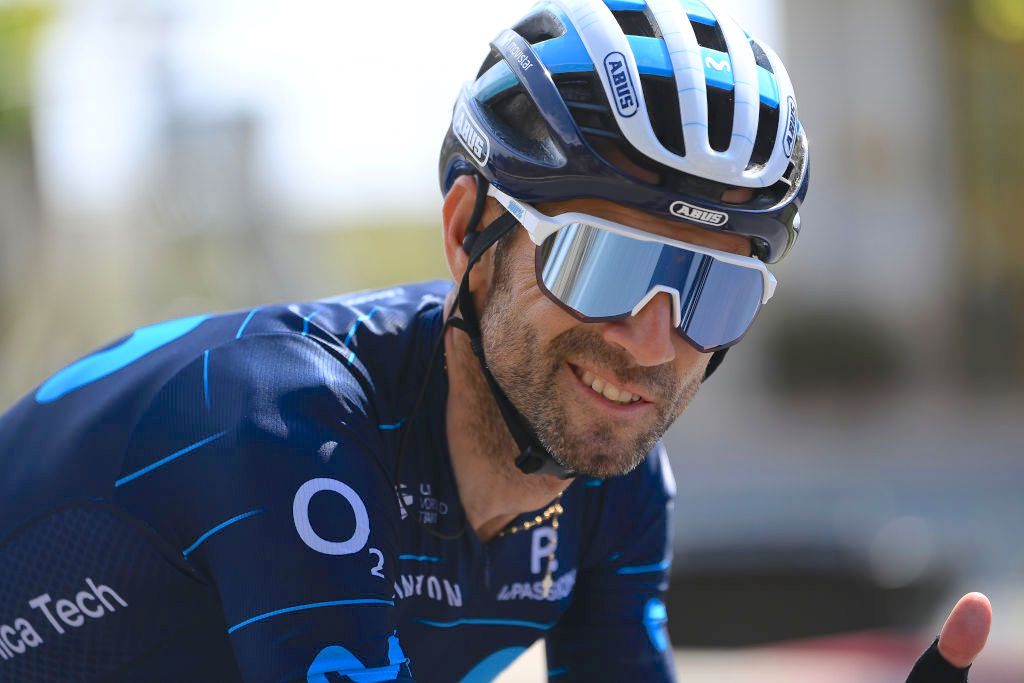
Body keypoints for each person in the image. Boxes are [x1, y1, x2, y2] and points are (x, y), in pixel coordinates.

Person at [0, 0, 992, 681]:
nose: (653, 340)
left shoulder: (612, 485)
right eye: (605, 266)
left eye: (715, 288)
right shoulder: (276, 422)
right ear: (468, 229)